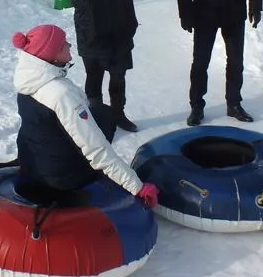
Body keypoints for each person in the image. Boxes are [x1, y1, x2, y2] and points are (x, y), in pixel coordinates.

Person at [11, 24, 158, 207]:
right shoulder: (61, 93)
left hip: (33, 164)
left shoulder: (28, 81)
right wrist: (138, 187)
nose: (69, 45)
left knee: (101, 113)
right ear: (54, 54)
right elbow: (96, 149)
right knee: (106, 118)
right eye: (64, 44)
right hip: (61, 178)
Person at [64, 0, 143, 133]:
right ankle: (97, 118)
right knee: (94, 77)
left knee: (118, 76)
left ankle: (118, 114)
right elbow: (78, 1)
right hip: (92, 32)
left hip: (120, 28)